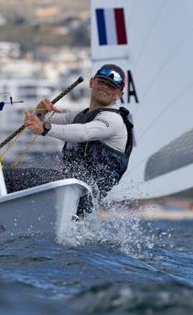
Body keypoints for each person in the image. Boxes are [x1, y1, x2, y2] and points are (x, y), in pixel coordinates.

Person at [12, 64, 134, 211]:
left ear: (119, 94)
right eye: (102, 82)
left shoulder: (114, 120)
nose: (105, 87)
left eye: (111, 86)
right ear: (91, 83)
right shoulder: (77, 116)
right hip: (67, 191)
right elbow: (37, 123)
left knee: (14, 177)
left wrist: (44, 128)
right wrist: (39, 112)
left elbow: (84, 133)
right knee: (9, 178)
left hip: (84, 195)